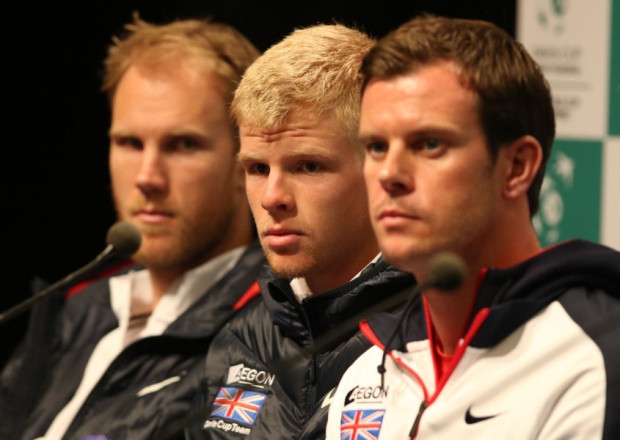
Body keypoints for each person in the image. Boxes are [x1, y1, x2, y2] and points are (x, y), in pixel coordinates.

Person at [326, 14, 620, 439]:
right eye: (375, 146)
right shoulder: (367, 374)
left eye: (429, 144)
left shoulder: (594, 359)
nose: (389, 172)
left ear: (516, 167)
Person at [0, 14, 265, 440]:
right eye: (129, 143)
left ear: (247, 160)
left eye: (183, 145)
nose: (147, 176)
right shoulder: (75, 310)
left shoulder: (272, 328)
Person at [185, 24, 416, 439]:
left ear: (380, 169)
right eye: (257, 168)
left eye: (308, 166)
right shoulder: (241, 339)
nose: (272, 197)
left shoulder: (438, 333)